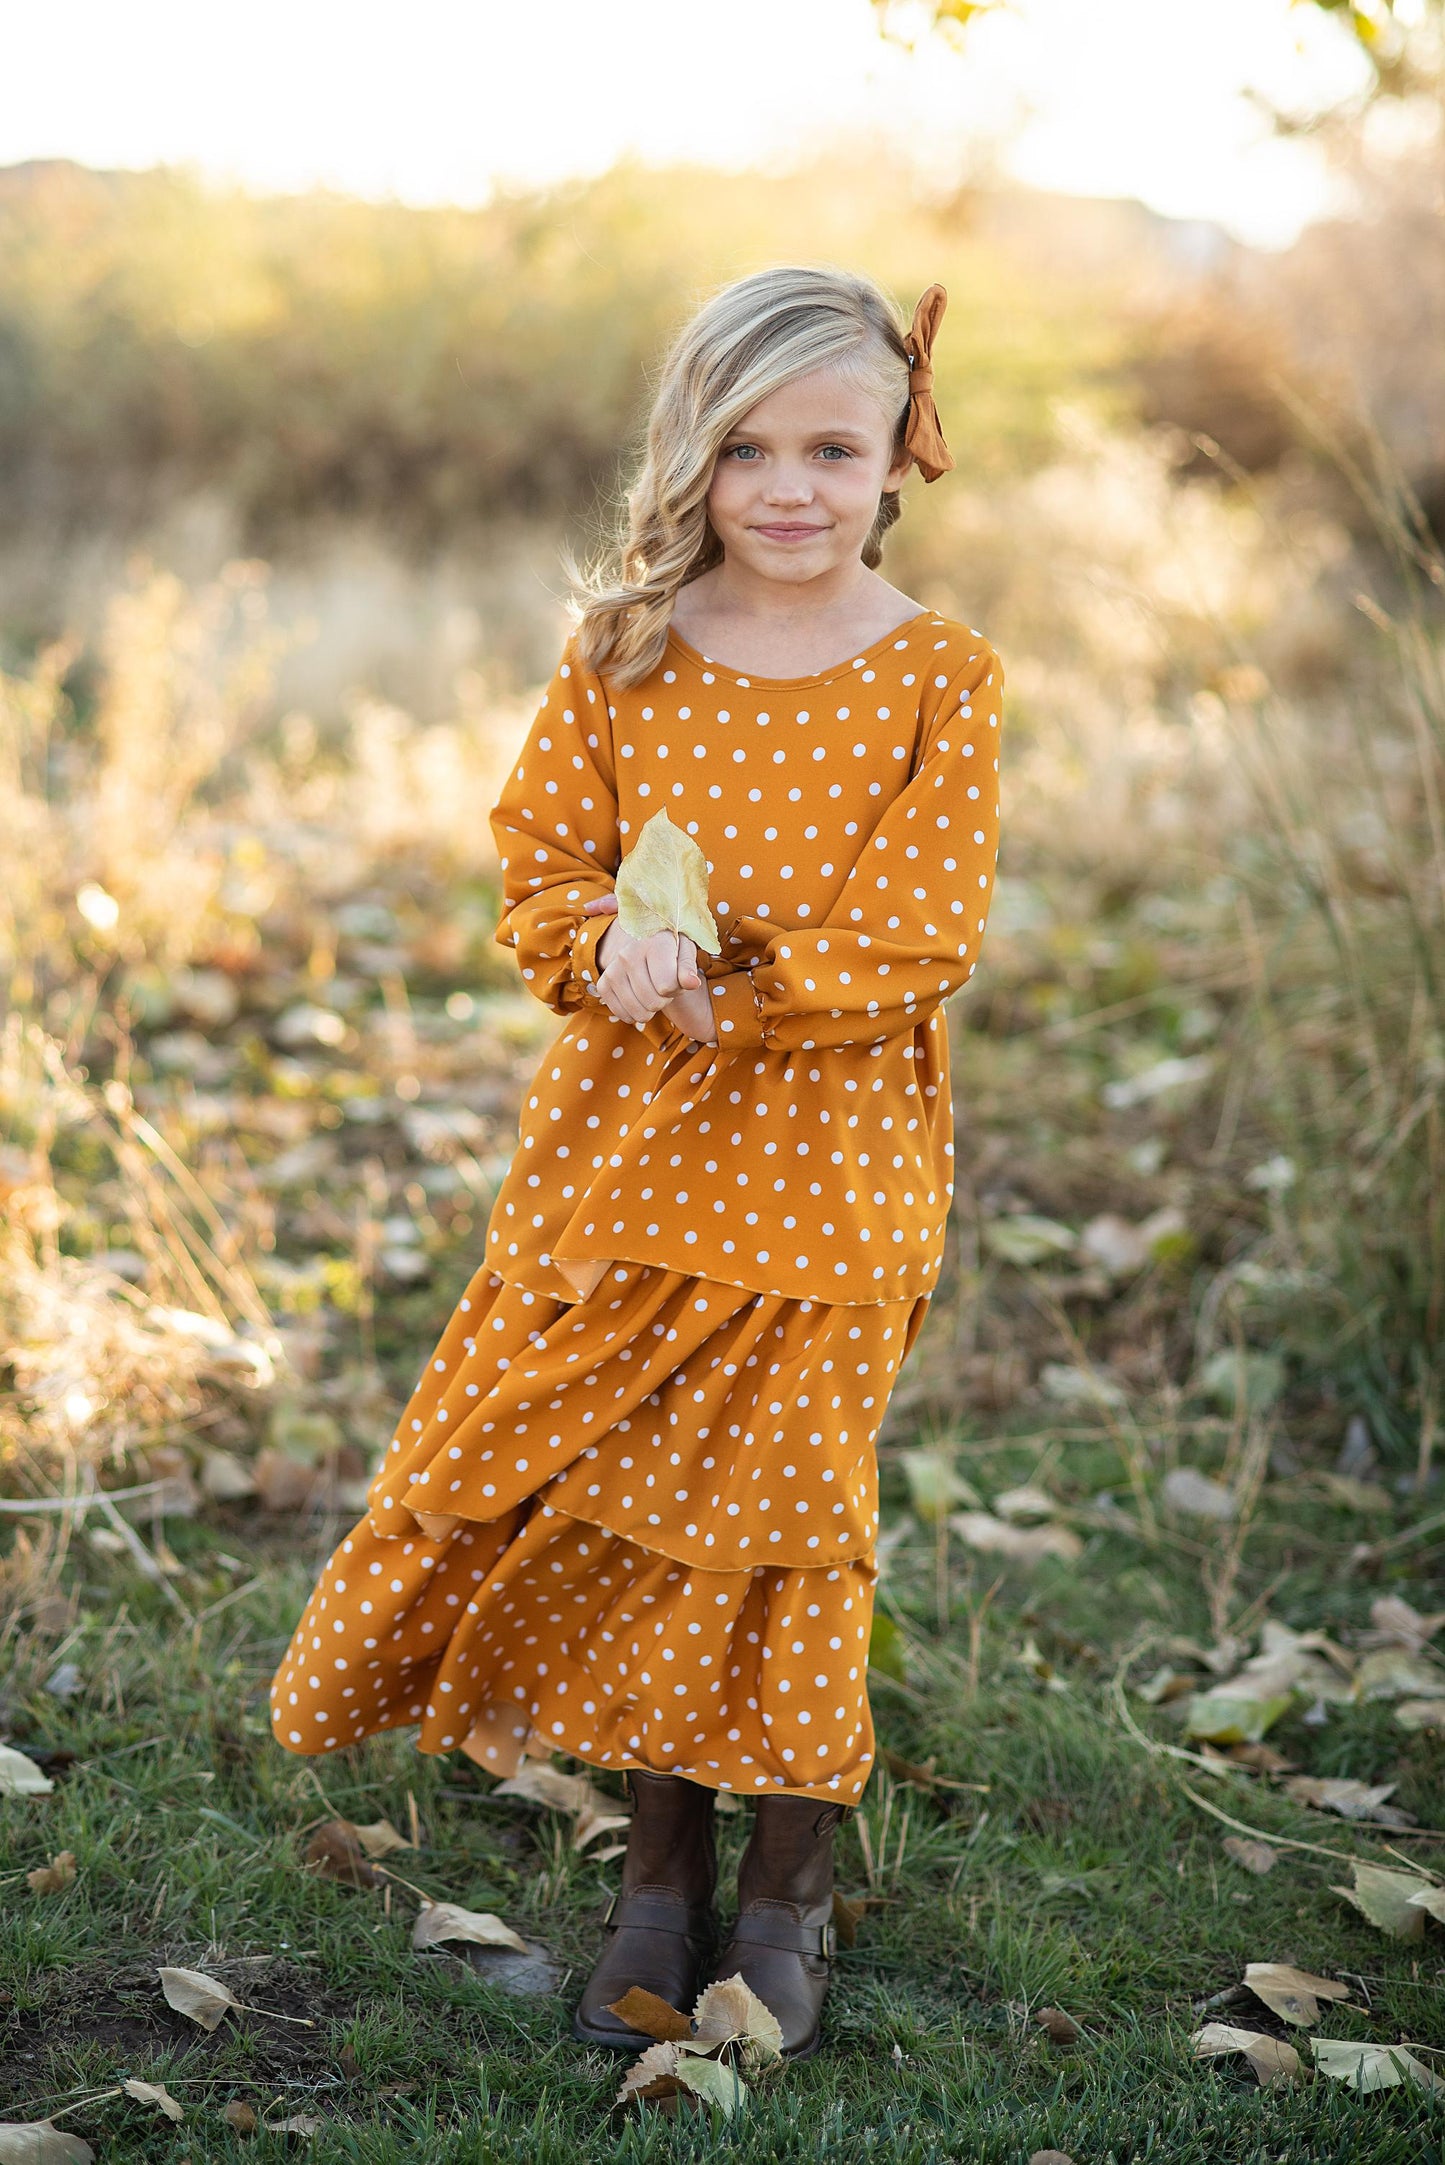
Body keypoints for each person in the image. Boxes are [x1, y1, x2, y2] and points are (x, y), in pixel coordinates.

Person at [269, 264, 1003, 2064]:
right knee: (640, 1522)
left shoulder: (937, 676)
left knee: (783, 1520)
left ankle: (784, 1889)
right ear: (690, 452)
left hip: (825, 1178)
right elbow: (537, 867)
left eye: (830, 445)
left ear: (898, 447)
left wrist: (730, 995)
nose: (787, 488)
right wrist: (602, 940)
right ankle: (659, 1873)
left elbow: (917, 938)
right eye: (744, 446)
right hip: (621, 1164)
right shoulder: (625, 655)